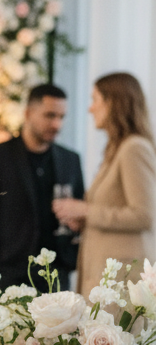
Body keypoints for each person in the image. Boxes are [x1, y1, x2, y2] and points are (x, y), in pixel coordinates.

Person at [53, 72, 156, 300]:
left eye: (95, 100)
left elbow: (144, 215)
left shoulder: (134, 148)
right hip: (106, 277)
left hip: (122, 283)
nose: (90, 109)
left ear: (113, 103)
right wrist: (84, 219)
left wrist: (86, 211)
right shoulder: (116, 149)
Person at [0, 83, 85, 290]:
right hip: (9, 272)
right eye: (50, 115)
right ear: (28, 113)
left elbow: (79, 212)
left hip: (56, 273)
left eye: (61, 117)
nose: (57, 124)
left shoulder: (70, 159)